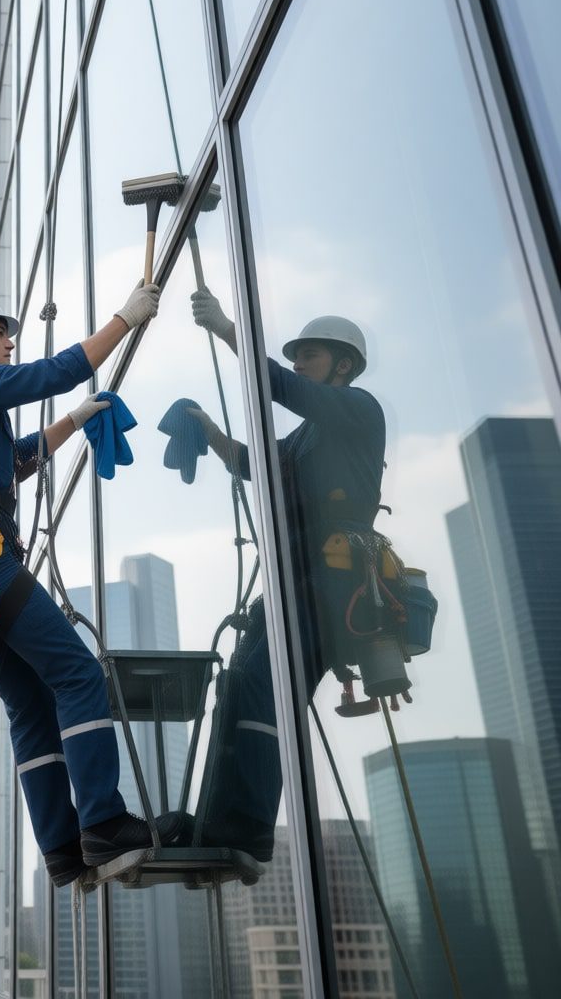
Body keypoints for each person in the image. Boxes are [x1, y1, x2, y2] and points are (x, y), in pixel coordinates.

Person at [0, 285, 181, 887]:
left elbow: (19, 458)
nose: (9, 340)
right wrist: (124, 319)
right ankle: (104, 823)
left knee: (32, 706)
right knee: (78, 675)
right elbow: (59, 370)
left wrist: (76, 420)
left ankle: (63, 848)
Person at [186, 287, 386, 861]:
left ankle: (245, 826)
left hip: (331, 584)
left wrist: (229, 330)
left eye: (311, 356)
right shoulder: (307, 436)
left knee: (265, 689)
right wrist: (208, 430)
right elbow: (257, 463)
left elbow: (281, 386)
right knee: (241, 685)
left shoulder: (357, 410)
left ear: (343, 366)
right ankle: (217, 821)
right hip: (295, 581)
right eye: (296, 355)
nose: (299, 363)